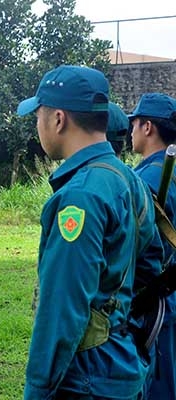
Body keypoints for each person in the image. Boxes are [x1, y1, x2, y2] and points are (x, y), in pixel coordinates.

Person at [17, 65, 162, 399]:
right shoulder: (128, 179)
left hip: (86, 378)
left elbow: (61, 309)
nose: (37, 125)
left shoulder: (79, 197)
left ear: (58, 119)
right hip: (122, 364)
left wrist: (36, 390)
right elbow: (152, 265)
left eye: (38, 114)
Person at [130, 93, 176, 399]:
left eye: (134, 123)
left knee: (157, 387)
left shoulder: (147, 178)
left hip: (155, 303)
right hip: (170, 298)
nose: (130, 131)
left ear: (148, 127)